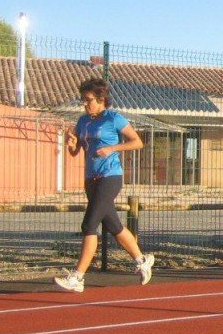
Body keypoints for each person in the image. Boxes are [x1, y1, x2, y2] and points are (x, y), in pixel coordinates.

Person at [54, 78, 154, 293]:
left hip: (110, 177)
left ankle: (78, 277)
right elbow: (76, 151)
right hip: (91, 179)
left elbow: (137, 142)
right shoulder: (83, 121)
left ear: (101, 99)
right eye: (82, 100)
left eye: (88, 100)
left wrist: (113, 148)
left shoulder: (113, 118)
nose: (84, 104)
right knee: (113, 225)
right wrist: (71, 145)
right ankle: (142, 260)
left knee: (89, 225)